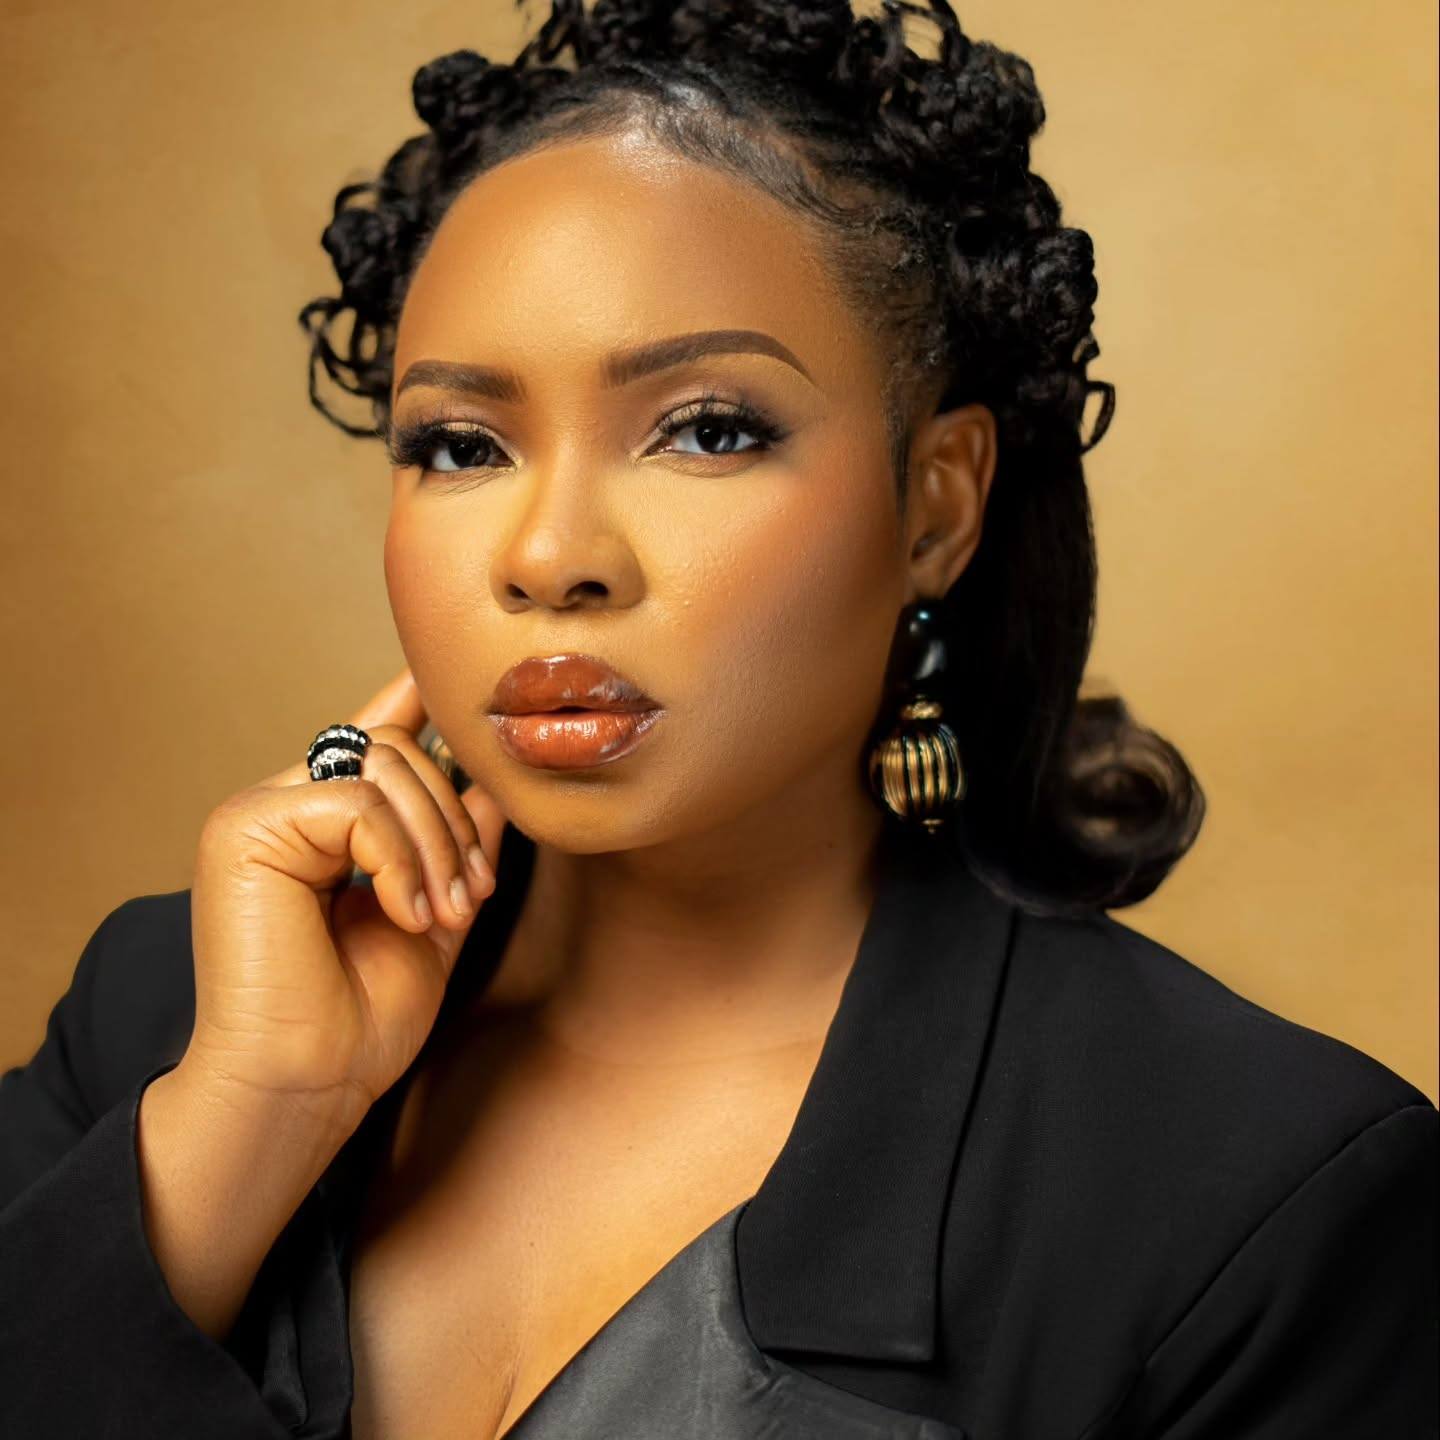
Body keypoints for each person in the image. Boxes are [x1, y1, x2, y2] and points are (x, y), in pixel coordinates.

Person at [2, 0, 1435, 1436]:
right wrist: (248, 1124)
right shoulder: (172, 1018)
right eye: (461, 444)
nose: (548, 555)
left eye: (707, 430)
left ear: (937, 507)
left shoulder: (1256, 1199)